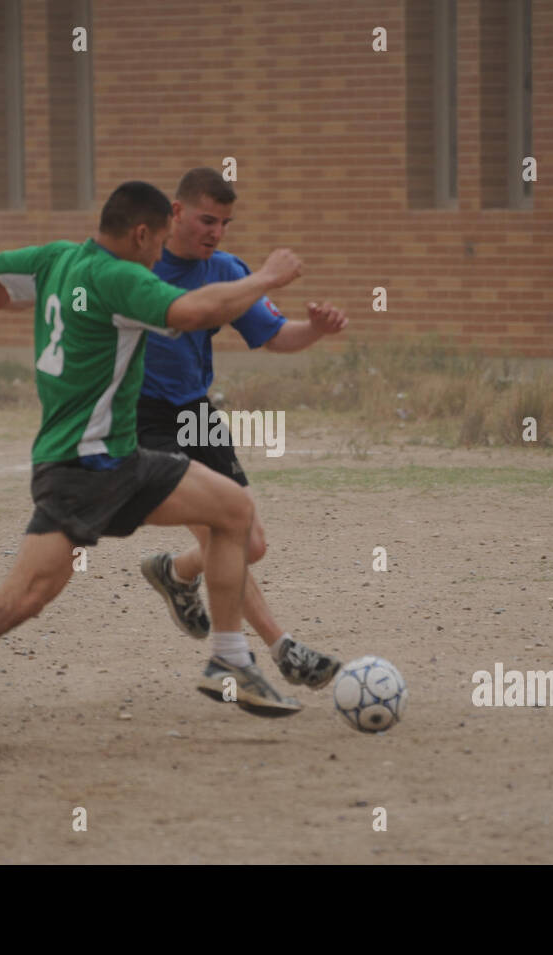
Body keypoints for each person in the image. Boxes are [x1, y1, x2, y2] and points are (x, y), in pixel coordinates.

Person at [0, 181, 308, 763]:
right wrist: (267, 277)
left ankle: (229, 657)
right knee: (20, 599)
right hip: (82, 469)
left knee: (234, 510)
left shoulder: (57, 257)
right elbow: (196, 310)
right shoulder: (121, 278)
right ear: (142, 233)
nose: (161, 253)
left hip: (122, 458)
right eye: (160, 239)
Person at [133, 168, 348, 699]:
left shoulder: (226, 270)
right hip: (139, 416)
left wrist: (316, 330)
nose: (216, 233)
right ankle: (281, 649)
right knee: (218, 527)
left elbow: (276, 337)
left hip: (194, 412)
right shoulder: (138, 266)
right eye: (208, 220)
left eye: (226, 223)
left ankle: (176, 572)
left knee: (251, 543)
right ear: (176, 213)